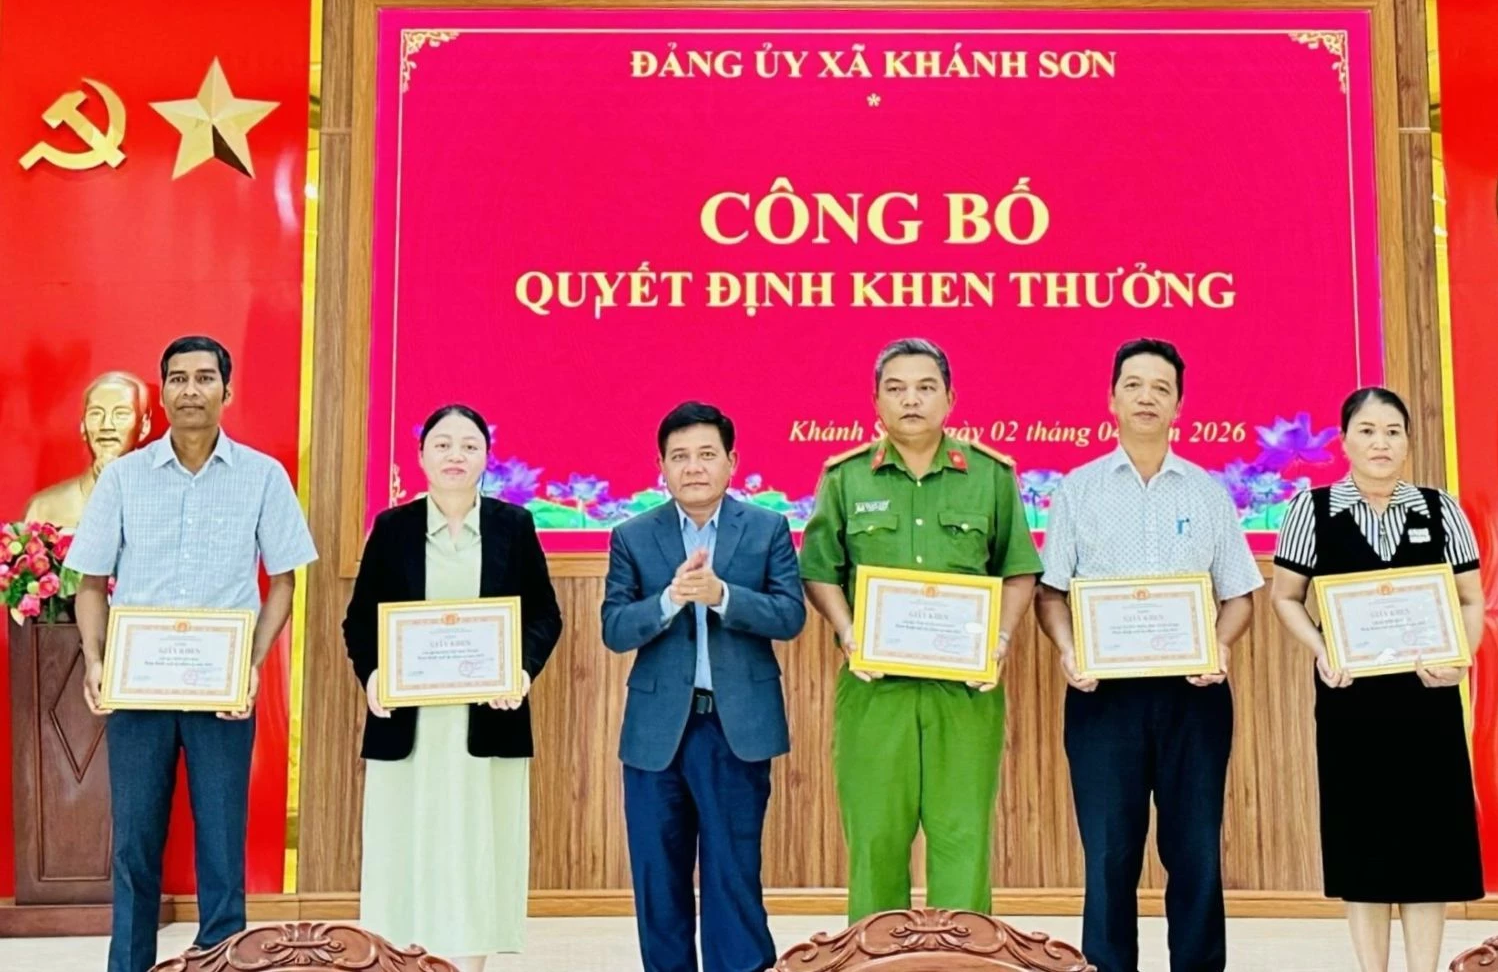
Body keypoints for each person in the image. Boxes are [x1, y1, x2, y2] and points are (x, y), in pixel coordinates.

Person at [65, 336, 317, 972]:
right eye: (177, 379)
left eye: (205, 378)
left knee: (223, 845)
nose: (190, 390)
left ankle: (220, 962)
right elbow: (90, 582)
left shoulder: (264, 476)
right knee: (134, 844)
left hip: (221, 690)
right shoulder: (124, 478)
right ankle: (129, 965)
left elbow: (284, 581)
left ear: (227, 391)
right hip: (138, 689)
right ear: (164, 394)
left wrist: (251, 664)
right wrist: (95, 661)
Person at [1035, 338, 1261, 972]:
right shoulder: (1077, 490)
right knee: (1109, 855)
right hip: (1103, 696)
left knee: (1195, 852)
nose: (1146, 397)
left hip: (1194, 694)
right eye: (1133, 385)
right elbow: (1051, 594)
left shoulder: (1208, 492)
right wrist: (1069, 650)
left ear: (1179, 406)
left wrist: (1220, 644)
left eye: (1161, 388)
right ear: (1111, 399)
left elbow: (1240, 596)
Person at [799, 338, 1041, 924]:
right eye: (897, 388)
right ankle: (875, 957)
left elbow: (1018, 569)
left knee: (962, 835)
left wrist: (1000, 641)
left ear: (950, 399)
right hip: (875, 688)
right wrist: (849, 632)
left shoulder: (990, 476)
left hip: (965, 691)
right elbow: (818, 571)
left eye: (926, 387)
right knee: (875, 835)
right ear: (876, 400)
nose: (911, 400)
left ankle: (962, 958)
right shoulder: (846, 478)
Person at [1270, 387, 1484, 972]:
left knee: (1428, 845)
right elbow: (1285, 596)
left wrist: (1459, 656)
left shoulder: (1440, 510)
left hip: (1427, 699)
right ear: (1344, 441)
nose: (1380, 442)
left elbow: (1470, 599)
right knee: (1361, 842)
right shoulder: (1311, 511)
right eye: (1366, 430)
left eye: (1393, 431)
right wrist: (1321, 649)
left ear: (1409, 441)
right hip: (1350, 700)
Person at [344, 404, 562, 972]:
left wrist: (521, 671)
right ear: (420, 456)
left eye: (469, 445)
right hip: (409, 724)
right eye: (442, 444)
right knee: (405, 846)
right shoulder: (392, 528)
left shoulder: (514, 525)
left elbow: (544, 615)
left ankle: (468, 964)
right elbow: (360, 620)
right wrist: (373, 676)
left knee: (476, 849)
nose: (455, 456)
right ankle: (403, 961)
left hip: (487, 720)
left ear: (487, 457)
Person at [602, 402, 806, 972]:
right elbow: (614, 628)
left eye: (707, 454)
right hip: (656, 734)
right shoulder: (632, 536)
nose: (693, 467)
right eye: (680, 456)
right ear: (661, 467)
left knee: (732, 871)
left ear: (732, 462)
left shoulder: (766, 528)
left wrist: (723, 597)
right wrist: (670, 600)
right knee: (657, 875)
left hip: (736, 726)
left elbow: (790, 616)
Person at [24, 370, 152, 527]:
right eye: (96, 414)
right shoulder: (44, 508)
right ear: (83, 426)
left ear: (144, 426)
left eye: (121, 414)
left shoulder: (166, 505)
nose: (106, 425)